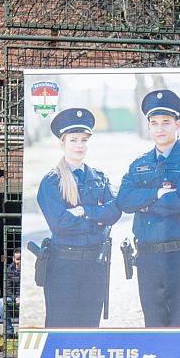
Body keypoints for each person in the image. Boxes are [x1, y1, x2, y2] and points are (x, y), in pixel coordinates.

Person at [116, 89, 180, 327]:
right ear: (148, 126)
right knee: (154, 324)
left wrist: (145, 204)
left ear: (178, 124)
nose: (160, 128)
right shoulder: (139, 164)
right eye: (154, 123)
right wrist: (156, 195)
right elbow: (124, 201)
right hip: (148, 257)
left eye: (166, 122)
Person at [35, 108, 121, 328]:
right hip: (64, 265)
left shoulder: (99, 178)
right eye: (73, 140)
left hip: (95, 265)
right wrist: (96, 219)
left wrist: (83, 211)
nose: (79, 145)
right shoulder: (52, 181)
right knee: (59, 326)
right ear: (62, 143)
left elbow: (114, 212)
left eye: (84, 140)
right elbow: (59, 223)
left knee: (90, 327)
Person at [3, 249, 21, 335]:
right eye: (17, 259)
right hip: (15, 297)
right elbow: (8, 289)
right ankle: (9, 331)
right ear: (13, 259)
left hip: (28, 297)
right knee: (1, 302)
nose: (19, 261)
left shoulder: (31, 268)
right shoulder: (9, 270)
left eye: (21, 258)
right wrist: (16, 298)